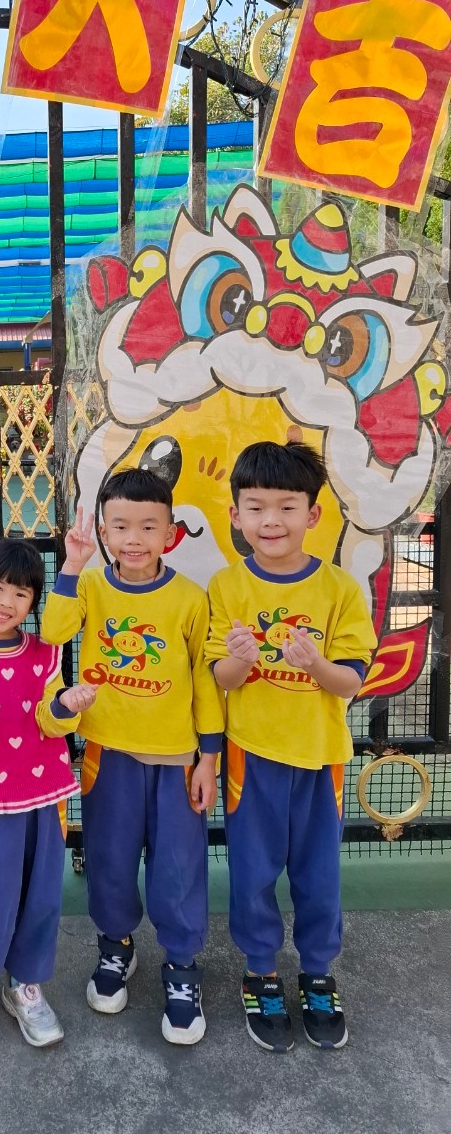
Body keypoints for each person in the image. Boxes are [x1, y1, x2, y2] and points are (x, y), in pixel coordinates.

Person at [42, 468, 223, 1045]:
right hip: (108, 757)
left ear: (170, 533)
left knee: (178, 869)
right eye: (120, 526)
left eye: (149, 526)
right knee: (111, 861)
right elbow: (52, 632)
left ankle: (182, 967)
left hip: (176, 762)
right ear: (103, 531)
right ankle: (116, 946)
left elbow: (205, 683)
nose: (134, 538)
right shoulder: (91, 586)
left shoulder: (190, 598)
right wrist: (72, 565)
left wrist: (209, 758)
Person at [207, 440, 375, 1052]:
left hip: (320, 757)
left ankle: (318, 972)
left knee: (318, 874)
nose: (270, 521)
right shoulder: (226, 586)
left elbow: (350, 681)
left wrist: (317, 665)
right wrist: (239, 660)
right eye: (255, 507)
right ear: (235, 515)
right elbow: (221, 678)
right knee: (252, 872)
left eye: (286, 506)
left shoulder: (339, 590)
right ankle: (260, 972)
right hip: (250, 756)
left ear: (313, 514)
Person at [0, 538, 95, 1059]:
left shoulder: (47, 654)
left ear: (33, 603)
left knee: (42, 899)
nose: (6, 602)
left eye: (21, 594)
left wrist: (67, 703)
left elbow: (51, 722)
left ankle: (25, 986)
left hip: (47, 796)